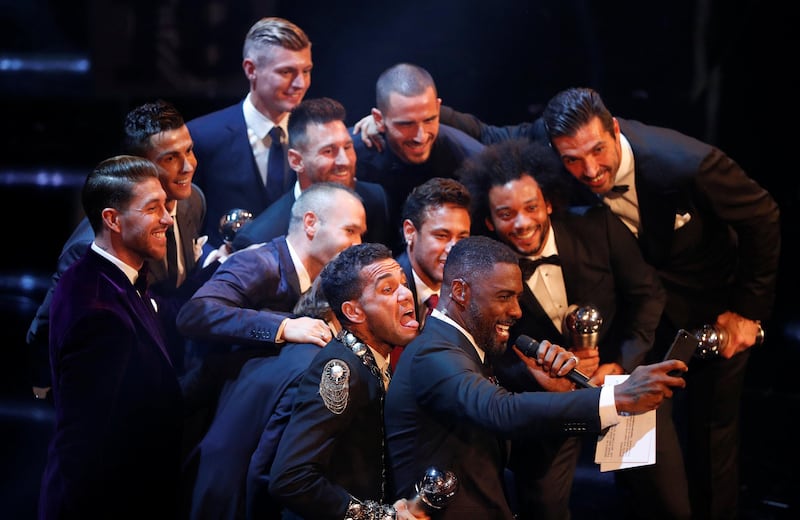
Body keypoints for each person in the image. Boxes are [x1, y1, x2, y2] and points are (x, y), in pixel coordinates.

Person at [540, 87, 780, 519]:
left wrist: (748, 311)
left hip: (712, 309)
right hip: (639, 317)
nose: (589, 170)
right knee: (632, 440)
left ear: (615, 130)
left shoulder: (685, 163)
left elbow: (762, 215)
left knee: (711, 435)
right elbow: (488, 132)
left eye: (597, 150)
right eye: (572, 159)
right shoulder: (561, 154)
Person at [457, 139, 689, 519]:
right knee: (542, 507)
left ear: (547, 202)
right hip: (549, 406)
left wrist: (619, 365)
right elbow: (491, 355)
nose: (522, 222)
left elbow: (648, 296)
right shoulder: (484, 274)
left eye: (531, 207)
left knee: (667, 503)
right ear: (489, 222)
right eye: (506, 213)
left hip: (621, 385)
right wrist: (544, 382)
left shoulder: (598, 227)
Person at [384, 235, 689, 519]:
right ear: (461, 292)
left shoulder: (470, 352)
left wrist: (560, 394)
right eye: (504, 296)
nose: (516, 311)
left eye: (517, 297)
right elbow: (499, 410)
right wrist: (616, 397)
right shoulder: (433, 352)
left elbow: (527, 466)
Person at [26, 99, 219, 400]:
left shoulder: (193, 200)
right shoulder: (89, 248)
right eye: (170, 158)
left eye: (189, 150)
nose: (188, 166)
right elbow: (46, 330)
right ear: (138, 164)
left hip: (176, 372)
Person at [39, 155, 183, 519]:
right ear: (112, 219)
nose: (168, 218)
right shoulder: (98, 311)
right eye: (153, 208)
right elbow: (84, 446)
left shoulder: (105, 279)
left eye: (165, 206)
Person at [268, 243, 429, 520]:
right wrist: (381, 517)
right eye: (388, 289)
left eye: (403, 283)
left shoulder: (374, 357)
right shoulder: (339, 371)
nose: (406, 294)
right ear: (354, 312)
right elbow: (291, 478)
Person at [185, 277, 337, 520]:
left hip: (203, 484)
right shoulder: (319, 368)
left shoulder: (266, 338)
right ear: (347, 309)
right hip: (242, 504)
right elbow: (266, 468)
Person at [187, 17, 313, 247]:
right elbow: (183, 226)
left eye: (306, 71)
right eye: (287, 72)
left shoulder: (316, 133)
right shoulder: (202, 136)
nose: (300, 83)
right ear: (251, 69)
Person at [351, 62, 484, 251]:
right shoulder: (348, 158)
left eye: (429, 120)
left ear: (438, 109)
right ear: (379, 119)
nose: (420, 136)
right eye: (406, 124)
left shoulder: (471, 160)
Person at [232, 96, 390, 250]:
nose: (345, 161)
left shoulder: (375, 199)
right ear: (296, 161)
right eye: (328, 151)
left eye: (347, 147)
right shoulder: (262, 238)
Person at [391, 177, 471, 370]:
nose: (454, 248)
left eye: (462, 237)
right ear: (410, 232)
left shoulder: (470, 290)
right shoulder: (384, 292)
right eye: (442, 236)